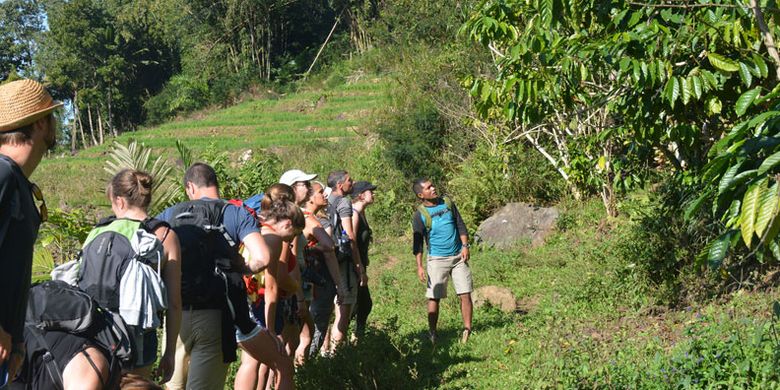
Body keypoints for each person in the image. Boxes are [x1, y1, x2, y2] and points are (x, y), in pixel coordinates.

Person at [158, 163, 279, 390]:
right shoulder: (234, 211)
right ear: (216, 184)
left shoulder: (169, 214)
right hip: (216, 316)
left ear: (190, 187)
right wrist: (242, 269)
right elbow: (263, 257)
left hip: (175, 316)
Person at [0, 79, 62, 383]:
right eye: (52, 117)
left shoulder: (19, 183)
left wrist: (18, 339)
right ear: (40, 124)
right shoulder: (3, 175)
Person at [100, 169, 182, 381]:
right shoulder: (164, 235)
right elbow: (174, 302)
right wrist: (170, 353)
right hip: (139, 337)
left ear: (119, 201)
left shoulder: (99, 231)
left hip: (97, 333)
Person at [234, 198, 302, 390]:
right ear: (288, 223)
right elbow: (272, 286)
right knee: (284, 365)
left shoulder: (252, 229)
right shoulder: (273, 239)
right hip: (255, 305)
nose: (288, 242)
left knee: (249, 362)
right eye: (291, 236)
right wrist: (270, 330)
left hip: (238, 300)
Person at [411, 178, 473, 344]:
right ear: (420, 194)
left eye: (433, 185)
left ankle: (468, 329)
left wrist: (465, 245)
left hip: (458, 256)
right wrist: (419, 266)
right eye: (428, 187)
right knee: (434, 297)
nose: (433, 188)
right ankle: (432, 333)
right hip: (437, 259)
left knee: (465, 293)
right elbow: (417, 244)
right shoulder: (420, 215)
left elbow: (460, 225)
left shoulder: (447, 203)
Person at [321, 170, 366, 352]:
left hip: (325, 261)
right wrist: (358, 265)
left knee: (328, 310)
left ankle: (324, 350)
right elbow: (350, 235)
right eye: (349, 180)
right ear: (340, 185)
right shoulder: (344, 202)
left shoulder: (325, 201)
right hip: (343, 261)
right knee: (344, 307)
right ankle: (337, 355)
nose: (352, 182)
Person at [296, 181, 341, 363]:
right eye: (320, 192)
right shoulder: (308, 218)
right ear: (310, 199)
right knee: (309, 333)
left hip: (300, 282)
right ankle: (303, 372)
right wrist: (316, 249)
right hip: (310, 283)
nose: (324, 195)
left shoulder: (296, 216)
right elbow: (330, 246)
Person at [350, 181, 376, 340]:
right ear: (360, 195)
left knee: (364, 304)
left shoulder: (362, 212)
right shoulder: (354, 214)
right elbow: (352, 243)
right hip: (354, 267)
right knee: (361, 304)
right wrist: (359, 268)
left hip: (361, 265)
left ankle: (357, 339)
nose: (373, 194)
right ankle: (350, 341)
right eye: (370, 191)